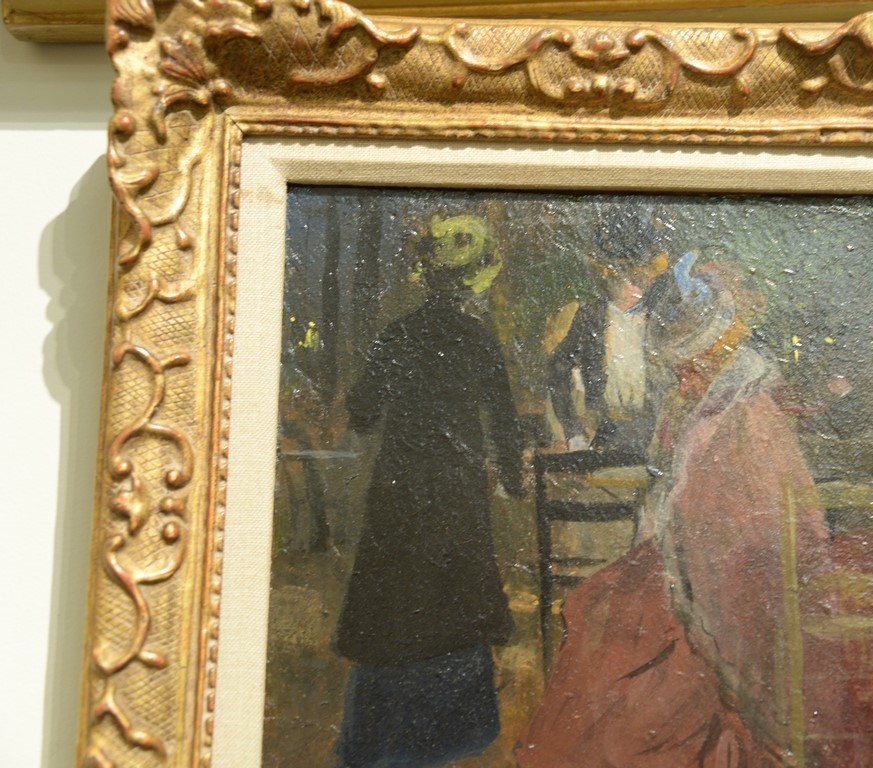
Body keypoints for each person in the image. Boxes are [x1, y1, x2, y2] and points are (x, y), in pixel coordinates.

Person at [518, 256, 835, 767]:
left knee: (615, 632)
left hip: (717, 580)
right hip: (682, 560)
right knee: (593, 606)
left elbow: (729, 534)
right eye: (678, 370)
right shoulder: (701, 407)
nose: (681, 380)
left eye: (689, 368)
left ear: (714, 357)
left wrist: (670, 561)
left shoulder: (741, 420)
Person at [334, 214, 524, 768]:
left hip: (399, 486)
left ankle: (382, 731)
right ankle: (455, 732)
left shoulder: (396, 334)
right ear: (475, 282)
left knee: (395, 595)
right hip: (456, 489)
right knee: (455, 599)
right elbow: (504, 421)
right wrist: (513, 479)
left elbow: (363, 413)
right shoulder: (478, 339)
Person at [544, 246, 670, 454]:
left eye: (642, 279)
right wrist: (573, 431)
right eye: (628, 279)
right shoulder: (591, 316)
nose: (638, 286)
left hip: (648, 429)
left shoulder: (657, 319)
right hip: (601, 429)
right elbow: (558, 369)